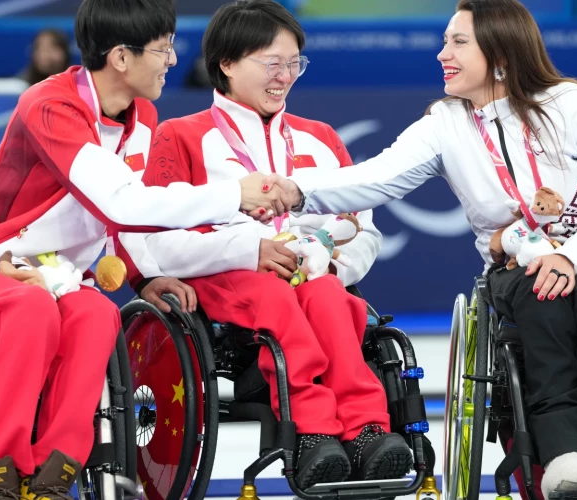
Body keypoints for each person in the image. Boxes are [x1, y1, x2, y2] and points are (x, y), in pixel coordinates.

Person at [269, 0, 577, 498]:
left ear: (500, 52)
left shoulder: (570, 104)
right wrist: (296, 190)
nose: (441, 54)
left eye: (457, 42)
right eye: (444, 41)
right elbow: (375, 178)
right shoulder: (445, 124)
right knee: (539, 294)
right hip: (519, 261)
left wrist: (571, 256)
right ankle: (563, 454)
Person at [0, 0, 287, 498]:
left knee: (96, 313)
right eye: (163, 49)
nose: (174, 60)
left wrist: (143, 277)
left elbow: (129, 214)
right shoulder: (50, 105)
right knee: (31, 308)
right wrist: (233, 195)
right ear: (120, 57)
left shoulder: (144, 117)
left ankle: (55, 471)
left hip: (58, 283)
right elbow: (118, 202)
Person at [123, 0, 413, 489]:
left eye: (293, 63)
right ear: (228, 63)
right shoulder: (179, 136)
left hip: (309, 279)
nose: (284, 76)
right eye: (271, 63)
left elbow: (364, 229)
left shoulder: (320, 138)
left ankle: (367, 429)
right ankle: (310, 430)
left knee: (329, 297)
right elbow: (156, 239)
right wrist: (247, 251)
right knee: (272, 293)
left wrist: (330, 266)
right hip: (223, 282)